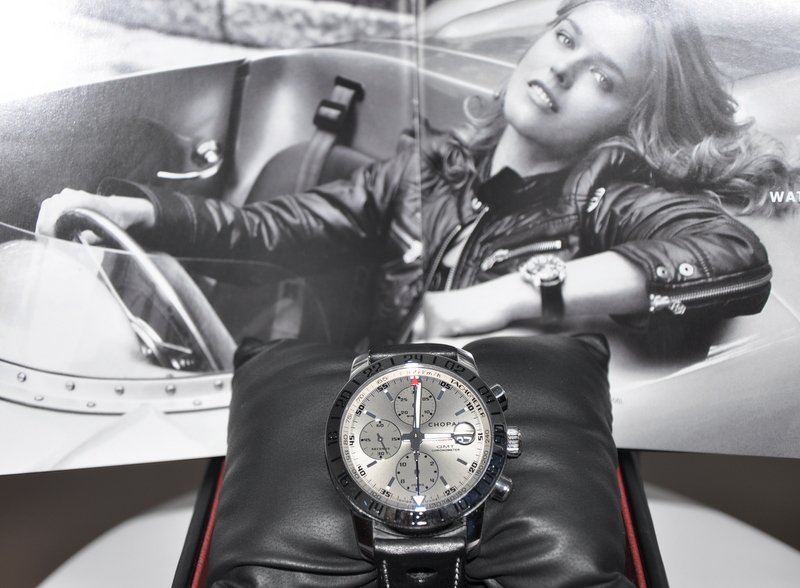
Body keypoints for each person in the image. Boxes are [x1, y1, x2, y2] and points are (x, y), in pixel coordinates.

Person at [36, 0, 795, 351]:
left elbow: (730, 259)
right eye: (566, 38)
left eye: (603, 77)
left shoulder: (606, 197)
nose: (563, 69)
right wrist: (144, 213)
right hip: (362, 411)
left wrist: (502, 299)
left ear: (630, 117)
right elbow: (273, 229)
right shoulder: (429, 169)